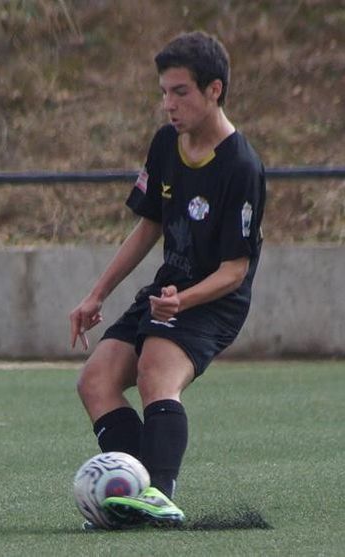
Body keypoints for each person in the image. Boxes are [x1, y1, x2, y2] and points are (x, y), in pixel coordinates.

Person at [69, 30, 266, 528]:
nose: (169, 104)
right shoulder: (165, 144)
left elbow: (236, 270)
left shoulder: (240, 166)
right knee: (95, 381)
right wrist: (97, 294)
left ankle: (159, 493)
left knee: (155, 370)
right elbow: (149, 226)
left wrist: (184, 301)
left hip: (214, 300)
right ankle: (136, 494)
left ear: (214, 90)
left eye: (180, 92)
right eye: (164, 92)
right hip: (166, 291)